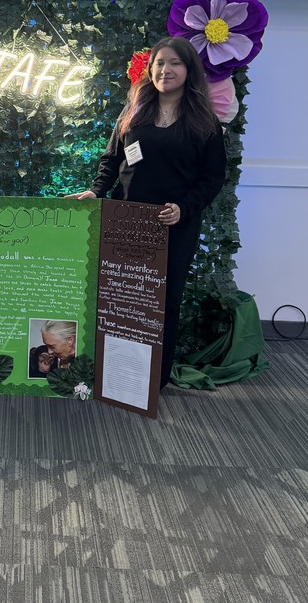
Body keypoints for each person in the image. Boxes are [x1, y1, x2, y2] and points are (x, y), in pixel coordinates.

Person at [70, 36, 226, 389]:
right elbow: (112, 159)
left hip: (174, 226)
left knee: (163, 303)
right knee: (122, 299)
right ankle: (117, 374)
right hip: (127, 222)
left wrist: (184, 209)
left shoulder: (204, 121)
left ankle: (153, 381)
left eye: (174, 63)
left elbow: (213, 176)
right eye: (159, 63)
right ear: (149, 69)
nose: (165, 70)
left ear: (188, 70)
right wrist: (96, 191)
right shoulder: (134, 111)